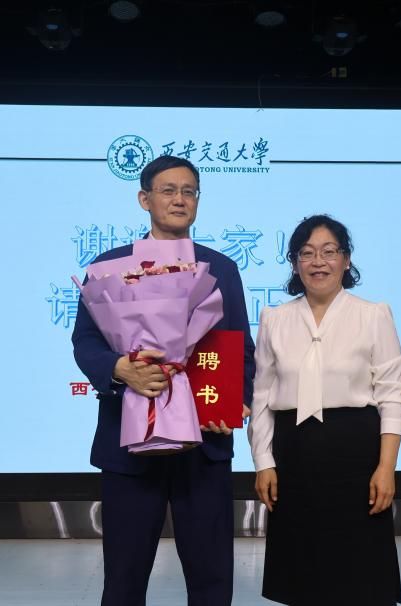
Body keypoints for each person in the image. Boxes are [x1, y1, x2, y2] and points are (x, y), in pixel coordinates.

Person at [71, 156, 255, 606]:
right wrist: (120, 369)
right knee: (124, 576)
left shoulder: (221, 268)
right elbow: (86, 342)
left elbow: (240, 348)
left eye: (189, 191)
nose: (179, 199)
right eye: (168, 190)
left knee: (212, 578)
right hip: (127, 442)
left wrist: (236, 401)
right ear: (144, 199)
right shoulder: (109, 266)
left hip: (204, 441)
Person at [248, 214, 401, 605]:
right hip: (294, 456)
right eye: (306, 253)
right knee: (302, 574)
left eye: (328, 252)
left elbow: (392, 396)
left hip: (355, 456)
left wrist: (386, 468)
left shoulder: (373, 315)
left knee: (360, 575)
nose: (318, 262)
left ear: (346, 259)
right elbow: (262, 397)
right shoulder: (275, 319)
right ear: (294, 263)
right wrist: (263, 463)